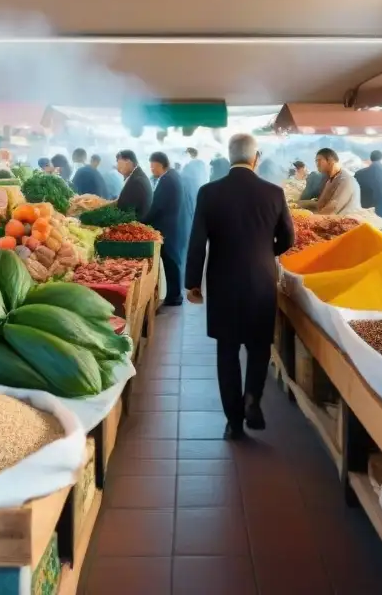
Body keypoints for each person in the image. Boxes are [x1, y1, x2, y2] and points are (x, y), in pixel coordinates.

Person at [186, 134, 295, 440]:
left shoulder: (209, 193)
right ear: (255, 157)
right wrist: (266, 252)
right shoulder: (274, 193)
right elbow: (289, 238)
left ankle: (233, 422)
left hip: (223, 281)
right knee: (259, 345)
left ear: (229, 156)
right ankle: (253, 398)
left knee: (227, 349)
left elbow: (197, 242)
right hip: (261, 280)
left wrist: (193, 282)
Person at [145, 152, 187, 306]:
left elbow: (157, 206)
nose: (152, 169)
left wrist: (142, 221)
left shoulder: (167, 180)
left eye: (153, 165)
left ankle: (174, 296)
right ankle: (174, 294)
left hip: (167, 227)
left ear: (161, 164)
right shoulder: (172, 176)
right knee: (172, 260)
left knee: (170, 261)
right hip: (172, 224)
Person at [301, 148, 360, 215]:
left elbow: (332, 210)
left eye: (319, 160)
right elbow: (320, 204)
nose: (317, 164)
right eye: (316, 161)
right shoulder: (330, 180)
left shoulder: (346, 180)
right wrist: (298, 204)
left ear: (330, 160)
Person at [115, 149, 152, 218]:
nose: (118, 168)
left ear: (128, 162)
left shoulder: (137, 181)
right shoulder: (137, 176)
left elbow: (126, 210)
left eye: (119, 163)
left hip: (133, 224)